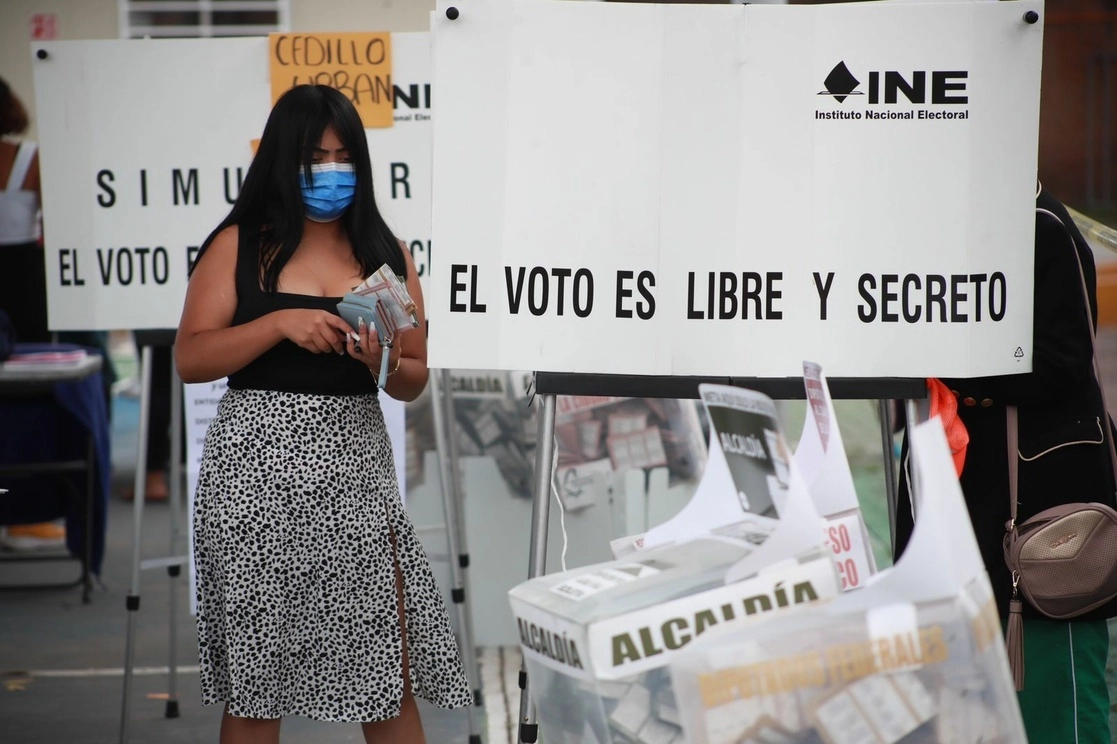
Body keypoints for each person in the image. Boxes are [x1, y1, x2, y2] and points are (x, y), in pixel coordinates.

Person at [175, 84, 470, 743]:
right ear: (284, 158)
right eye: (316, 155)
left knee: (382, 669)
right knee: (257, 685)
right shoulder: (240, 246)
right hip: (251, 478)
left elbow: (413, 375)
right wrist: (279, 322)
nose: (331, 170)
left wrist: (377, 361)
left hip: (354, 474)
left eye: (344, 156)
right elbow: (191, 358)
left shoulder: (382, 255)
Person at [894, 184, 1114, 743]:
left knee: (1054, 703)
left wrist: (950, 369)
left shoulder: (1040, 225)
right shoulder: (955, 222)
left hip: (1042, 519)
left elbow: (1063, 364)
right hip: (975, 501)